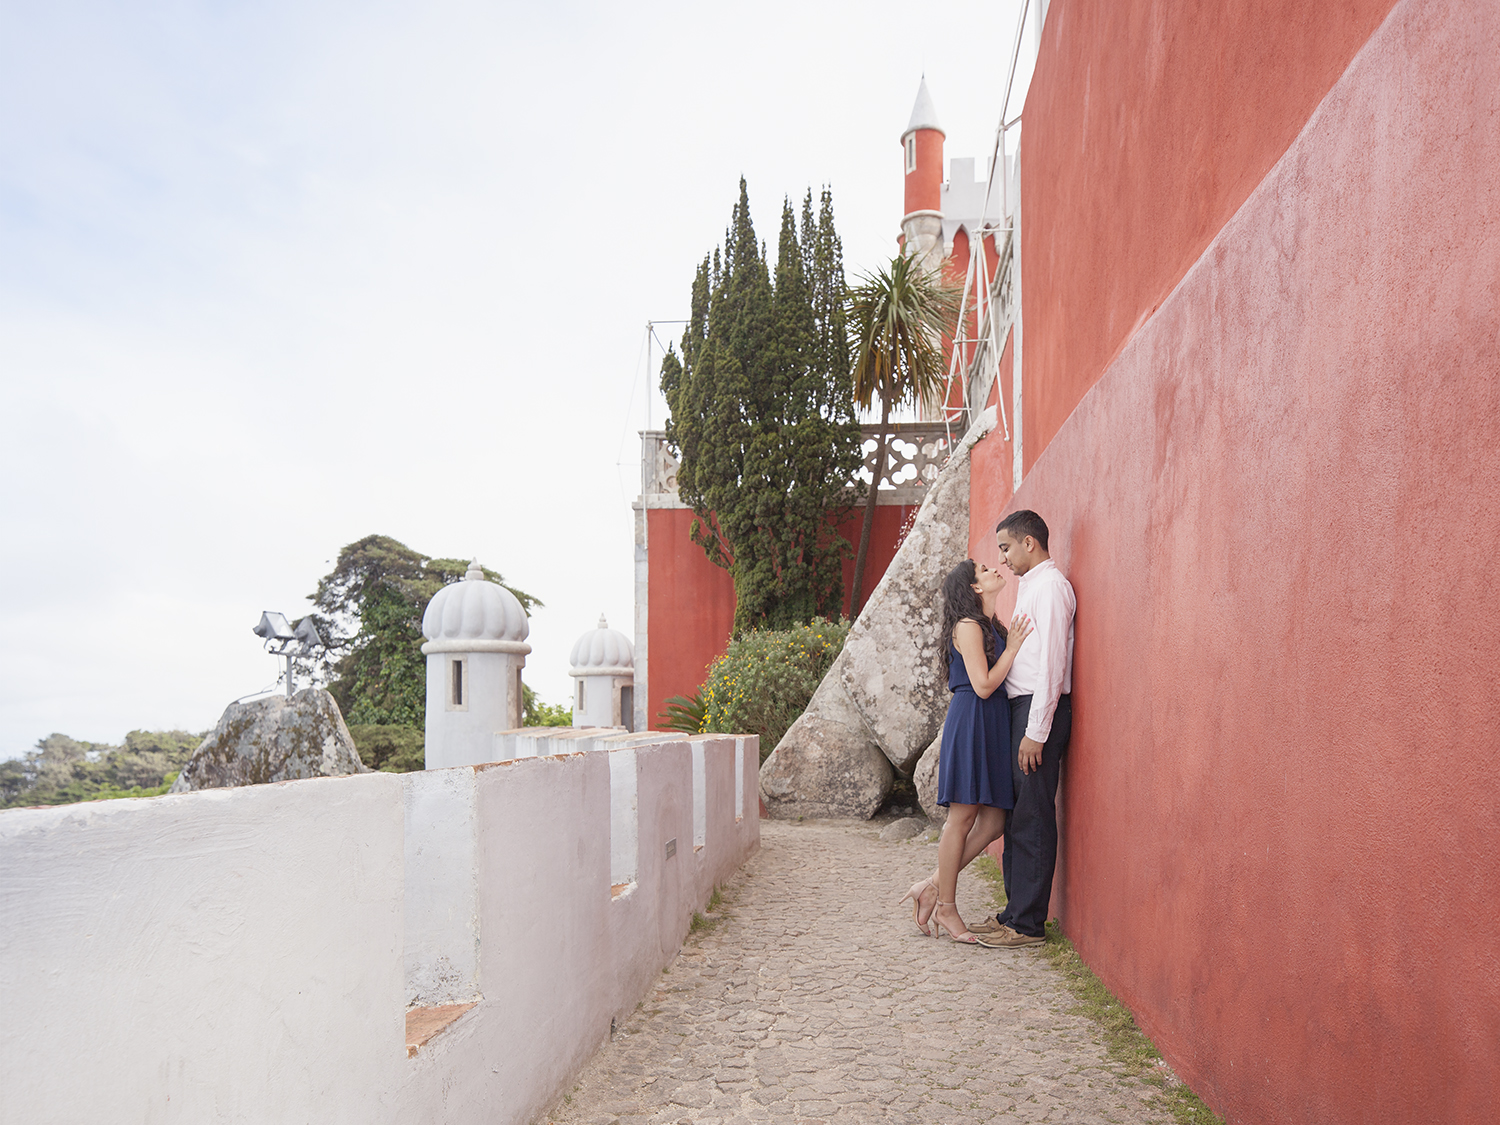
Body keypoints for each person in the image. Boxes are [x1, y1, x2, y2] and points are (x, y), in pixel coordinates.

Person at [900, 559, 1031, 943]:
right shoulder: (969, 626)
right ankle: (946, 906)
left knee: (992, 823)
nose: (995, 570)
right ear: (975, 588)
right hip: (974, 718)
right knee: (962, 818)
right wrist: (1015, 648)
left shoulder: (991, 626)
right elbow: (985, 684)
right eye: (986, 570)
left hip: (991, 722)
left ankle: (930, 886)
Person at [967, 509, 1076, 948]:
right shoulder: (1033, 588)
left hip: (1038, 711)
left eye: (1007, 548)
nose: (1003, 559)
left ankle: (1028, 925)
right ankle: (1013, 913)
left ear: (1030, 543)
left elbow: (1051, 664)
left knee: (1031, 815)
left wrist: (1037, 730)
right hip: (1022, 710)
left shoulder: (1050, 588)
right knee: (1016, 816)